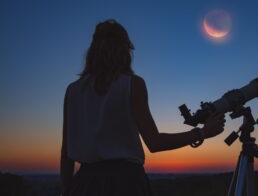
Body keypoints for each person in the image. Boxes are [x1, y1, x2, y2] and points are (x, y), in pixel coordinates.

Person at [60, 19, 226, 196]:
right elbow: (155, 143)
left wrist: (66, 190)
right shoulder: (132, 84)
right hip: (125, 183)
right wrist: (203, 133)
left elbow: (66, 152)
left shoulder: (73, 90)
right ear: (125, 50)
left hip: (84, 183)